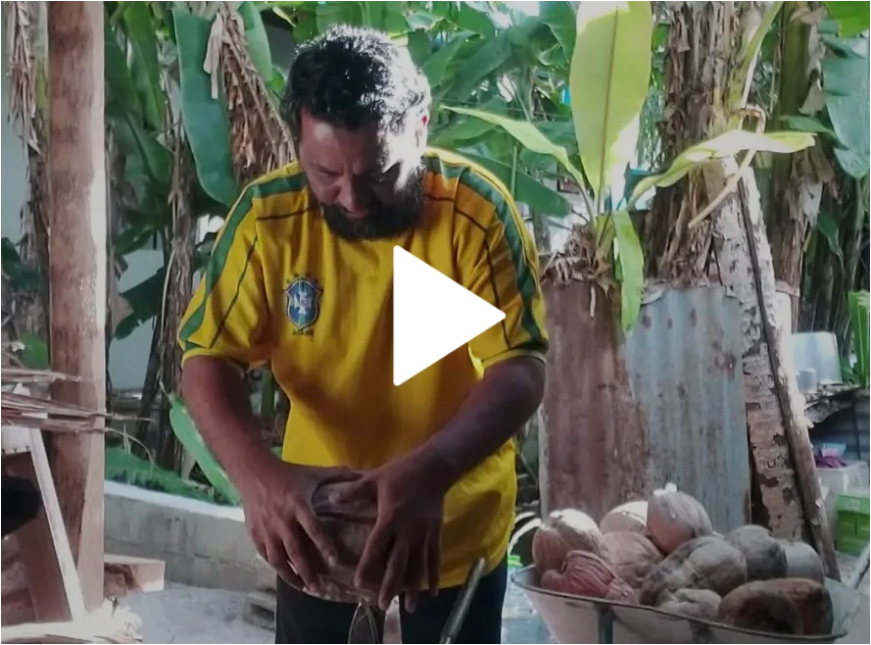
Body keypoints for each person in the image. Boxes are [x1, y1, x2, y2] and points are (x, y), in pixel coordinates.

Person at [177, 24, 548, 645]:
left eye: (378, 172)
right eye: (325, 173)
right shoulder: (267, 222)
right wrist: (259, 479)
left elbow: (521, 369)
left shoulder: (475, 215)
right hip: (316, 532)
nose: (350, 199)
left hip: (449, 532)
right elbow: (207, 359)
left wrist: (430, 473)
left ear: (420, 127)